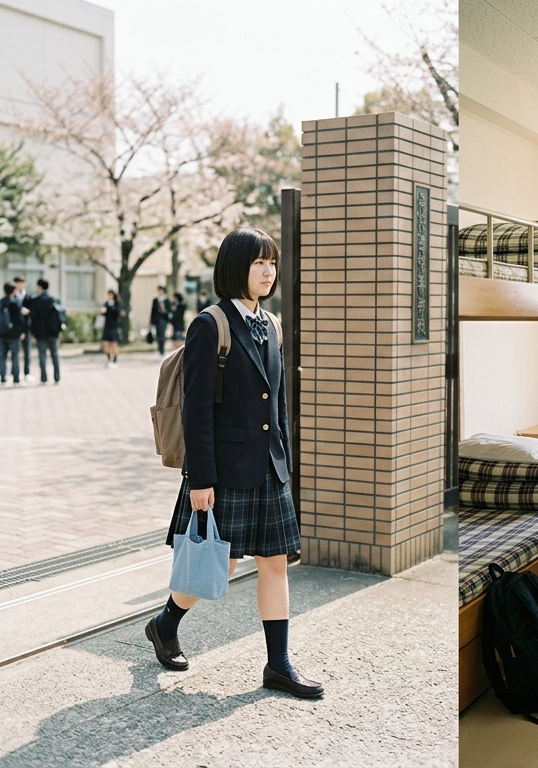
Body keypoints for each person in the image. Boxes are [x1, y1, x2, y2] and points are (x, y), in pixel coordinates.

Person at [148, 227, 322, 698]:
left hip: (267, 468)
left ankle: (279, 665)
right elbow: (196, 410)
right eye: (257, 262)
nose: (267, 271)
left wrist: (283, 460)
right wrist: (201, 478)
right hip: (222, 471)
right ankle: (166, 624)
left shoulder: (274, 323)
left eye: (271, 262)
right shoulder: (210, 324)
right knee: (217, 565)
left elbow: (278, 401)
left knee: (275, 563)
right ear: (234, 267)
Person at [26, 279, 62, 385]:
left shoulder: (36, 300)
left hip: (40, 332)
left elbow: (32, 317)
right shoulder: (54, 299)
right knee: (54, 355)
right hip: (53, 332)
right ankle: (57, 377)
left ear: (39, 287)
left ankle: (43, 379)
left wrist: (33, 331)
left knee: (42, 355)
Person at [0, 283, 23, 386]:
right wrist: (21, 332)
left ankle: (3, 378)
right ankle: (16, 380)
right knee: (15, 358)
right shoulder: (15, 303)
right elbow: (19, 320)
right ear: (13, 291)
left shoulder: (1, 302)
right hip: (14, 335)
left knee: (2, 357)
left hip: (2, 334)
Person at [13, 277, 32, 381]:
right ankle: (14, 372)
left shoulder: (28, 298)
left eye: (21, 283)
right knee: (14, 351)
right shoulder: (12, 297)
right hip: (15, 330)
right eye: (17, 283)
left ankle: (27, 372)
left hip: (26, 329)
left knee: (27, 351)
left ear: (25, 284)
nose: (19, 285)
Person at [101, 290, 121, 367]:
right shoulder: (106, 304)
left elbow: (116, 312)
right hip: (107, 326)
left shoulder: (116, 304)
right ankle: (109, 358)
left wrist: (108, 309)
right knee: (105, 343)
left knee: (114, 344)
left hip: (114, 326)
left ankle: (115, 359)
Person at [150, 286, 171, 356]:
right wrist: (151, 322)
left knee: (162, 335)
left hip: (164, 320)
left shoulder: (166, 300)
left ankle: (162, 350)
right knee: (158, 335)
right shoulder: (155, 300)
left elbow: (169, 311)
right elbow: (153, 311)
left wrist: (163, 309)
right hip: (157, 320)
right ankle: (159, 349)